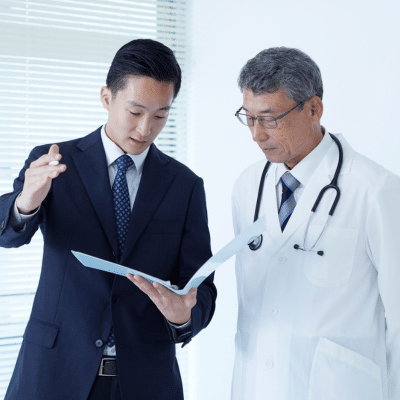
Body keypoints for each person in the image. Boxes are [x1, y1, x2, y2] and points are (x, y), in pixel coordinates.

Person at [0, 39, 217, 400]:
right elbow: (8, 235)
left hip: (146, 382)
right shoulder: (54, 161)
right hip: (54, 374)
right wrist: (26, 202)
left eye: (161, 115)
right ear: (106, 98)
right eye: (135, 112)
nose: (146, 128)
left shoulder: (185, 186)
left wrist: (183, 316)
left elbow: (202, 289)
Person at [231, 47, 400, 400]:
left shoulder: (374, 190)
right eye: (248, 118)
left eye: (270, 118)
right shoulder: (248, 186)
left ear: (314, 108)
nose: (256, 135)